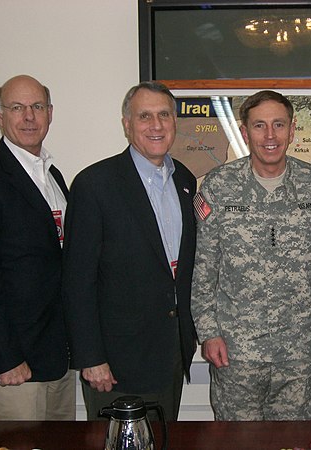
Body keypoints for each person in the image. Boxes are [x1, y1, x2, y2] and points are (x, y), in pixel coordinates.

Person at [190, 90, 311, 421]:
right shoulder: (219, 185)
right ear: (244, 132)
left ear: (292, 129)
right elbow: (204, 268)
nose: (270, 136)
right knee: (237, 445)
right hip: (235, 352)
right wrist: (208, 331)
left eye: (278, 125)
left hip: (299, 350)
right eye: (259, 126)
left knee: (294, 443)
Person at [62, 81, 197, 421]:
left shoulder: (185, 179)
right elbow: (78, 280)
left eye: (164, 115)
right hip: (116, 363)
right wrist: (91, 357)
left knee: (163, 440)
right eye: (145, 116)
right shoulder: (95, 184)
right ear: (126, 123)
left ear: (175, 122)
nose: (156, 125)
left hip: (170, 356)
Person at [0, 75, 76, 420]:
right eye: (17, 108)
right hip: (13, 368)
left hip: (57, 360)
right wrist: (5, 358)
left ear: (50, 113)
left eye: (37, 107)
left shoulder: (53, 176)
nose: (29, 117)